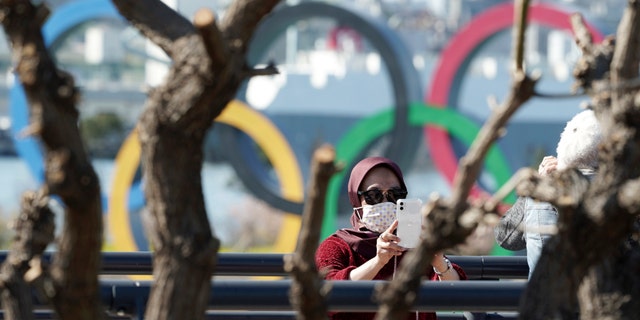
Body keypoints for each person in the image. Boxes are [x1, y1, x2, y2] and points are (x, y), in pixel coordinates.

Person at [315, 156, 467, 320]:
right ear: (356, 199)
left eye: (395, 194)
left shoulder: (414, 243)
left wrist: (437, 260)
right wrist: (378, 261)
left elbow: (459, 295)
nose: (386, 202)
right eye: (374, 195)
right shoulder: (337, 245)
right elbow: (326, 296)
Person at [494, 109, 602, 279]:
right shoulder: (622, 194)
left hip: (544, 299)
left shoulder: (547, 192)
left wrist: (537, 188)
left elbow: (505, 238)